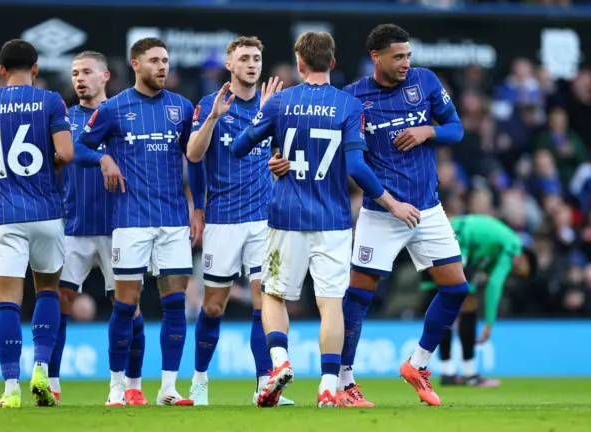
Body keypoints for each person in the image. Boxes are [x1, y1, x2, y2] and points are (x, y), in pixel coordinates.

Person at [269, 23, 467, 407]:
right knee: (358, 298)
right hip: (381, 212)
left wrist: (428, 131)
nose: (406, 63)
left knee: (457, 288)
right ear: (376, 57)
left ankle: (418, 364)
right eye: (398, 57)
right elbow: (318, 141)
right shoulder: (353, 97)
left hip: (427, 208)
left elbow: (456, 130)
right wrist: (282, 161)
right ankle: (344, 382)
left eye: (408, 55)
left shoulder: (425, 82)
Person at [231, 31, 419, 408]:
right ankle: (328, 387)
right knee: (331, 303)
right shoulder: (348, 106)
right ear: (332, 64)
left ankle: (280, 362)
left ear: (300, 65)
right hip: (333, 220)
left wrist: (264, 118)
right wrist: (390, 201)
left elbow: (238, 148)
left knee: (273, 294)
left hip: (286, 217)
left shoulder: (280, 102)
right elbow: (355, 166)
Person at [73, 37, 206, 407]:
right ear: (135, 64)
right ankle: (118, 387)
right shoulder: (114, 108)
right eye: (154, 61)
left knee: (176, 305)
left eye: (166, 60)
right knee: (126, 306)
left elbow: (193, 159)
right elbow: (80, 146)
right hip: (130, 220)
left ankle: (168, 388)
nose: (163, 67)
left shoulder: (180, 107)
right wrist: (103, 160)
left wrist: (198, 209)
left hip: (173, 221)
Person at [0, 39, 74, 408]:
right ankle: (41, 367)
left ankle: (10, 389)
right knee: (48, 291)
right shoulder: (51, 101)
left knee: (7, 301)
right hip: (47, 213)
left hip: (4, 217)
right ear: (35, 68)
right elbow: (66, 153)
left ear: (1, 70)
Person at [185, 36, 293, 406]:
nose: (251, 63)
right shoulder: (210, 104)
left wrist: (281, 164)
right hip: (223, 220)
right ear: (229, 66)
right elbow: (193, 156)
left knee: (266, 304)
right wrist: (214, 117)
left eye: (256, 58)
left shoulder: (274, 106)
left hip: (264, 221)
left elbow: (281, 158)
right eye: (244, 58)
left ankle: (266, 384)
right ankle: (199, 380)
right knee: (213, 306)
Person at [47, 51, 146, 406]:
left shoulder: (123, 115)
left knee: (128, 307)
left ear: (105, 76)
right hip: (73, 226)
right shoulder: (62, 120)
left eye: (86, 72)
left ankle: (130, 385)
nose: (79, 79)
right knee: (60, 301)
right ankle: (52, 385)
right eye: (74, 73)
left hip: (119, 227)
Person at [420, 214, 537, 387]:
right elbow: (494, 284)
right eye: (522, 272)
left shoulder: (497, 246)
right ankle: (469, 374)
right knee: (469, 302)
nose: (517, 273)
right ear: (525, 258)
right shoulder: (514, 247)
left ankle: (447, 372)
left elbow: (485, 271)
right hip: (459, 241)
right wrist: (489, 323)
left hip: (437, 237)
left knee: (441, 305)